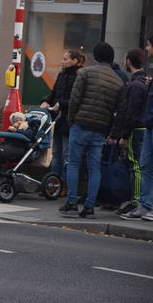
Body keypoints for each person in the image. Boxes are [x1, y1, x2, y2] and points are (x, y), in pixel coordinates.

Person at [60, 42, 126, 219]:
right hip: (100, 129)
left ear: (95, 57)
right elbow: (120, 111)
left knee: (73, 163)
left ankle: (72, 204)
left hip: (80, 124)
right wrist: (114, 133)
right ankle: (89, 208)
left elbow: (75, 99)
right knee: (94, 168)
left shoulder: (85, 73)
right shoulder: (118, 81)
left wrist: (71, 120)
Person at [40, 50, 86, 190]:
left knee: (67, 154)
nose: (62, 61)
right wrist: (46, 101)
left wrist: (60, 104)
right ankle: (53, 183)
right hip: (58, 119)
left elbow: (76, 99)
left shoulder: (80, 76)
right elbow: (54, 92)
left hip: (68, 119)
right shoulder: (62, 74)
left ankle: (64, 185)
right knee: (55, 153)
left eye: (65, 59)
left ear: (75, 61)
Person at [122, 34, 153, 221]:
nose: (147, 49)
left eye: (149, 45)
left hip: (149, 123)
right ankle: (145, 204)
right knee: (145, 165)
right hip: (149, 124)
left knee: (146, 165)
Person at [115, 49, 148, 215]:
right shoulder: (144, 82)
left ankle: (136, 201)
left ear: (128, 61)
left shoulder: (134, 85)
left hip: (136, 129)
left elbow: (131, 113)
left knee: (136, 165)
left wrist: (124, 135)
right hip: (142, 127)